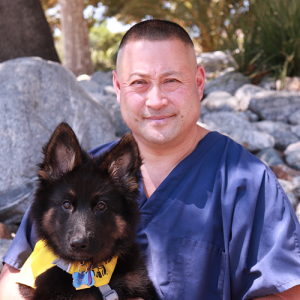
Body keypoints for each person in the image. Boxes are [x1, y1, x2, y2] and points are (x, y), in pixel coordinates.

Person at [1, 19, 300, 300]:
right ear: (118, 88)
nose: (156, 101)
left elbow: (288, 292)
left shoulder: (245, 182)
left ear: (198, 82)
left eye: (171, 80)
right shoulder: (78, 176)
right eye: (139, 83)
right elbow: (12, 280)